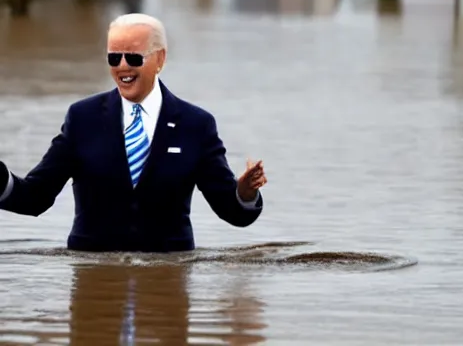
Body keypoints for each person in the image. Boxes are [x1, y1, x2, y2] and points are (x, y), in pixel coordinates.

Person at [0, 14, 266, 252]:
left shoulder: (196, 124)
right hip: (95, 288)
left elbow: (233, 213)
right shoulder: (82, 118)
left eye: (134, 57)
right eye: (114, 57)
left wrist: (244, 193)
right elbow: (35, 197)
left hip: (167, 287)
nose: (123, 66)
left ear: (160, 58)